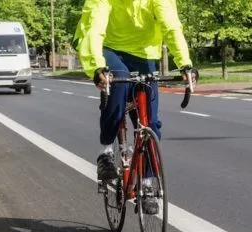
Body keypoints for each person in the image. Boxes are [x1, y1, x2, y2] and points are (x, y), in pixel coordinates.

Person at [74, 0, 195, 192]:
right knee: (118, 80)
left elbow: (171, 26)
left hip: (145, 55)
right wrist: (96, 67)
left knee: (152, 123)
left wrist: (185, 64)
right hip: (111, 49)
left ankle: (146, 182)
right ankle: (105, 153)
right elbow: (94, 28)